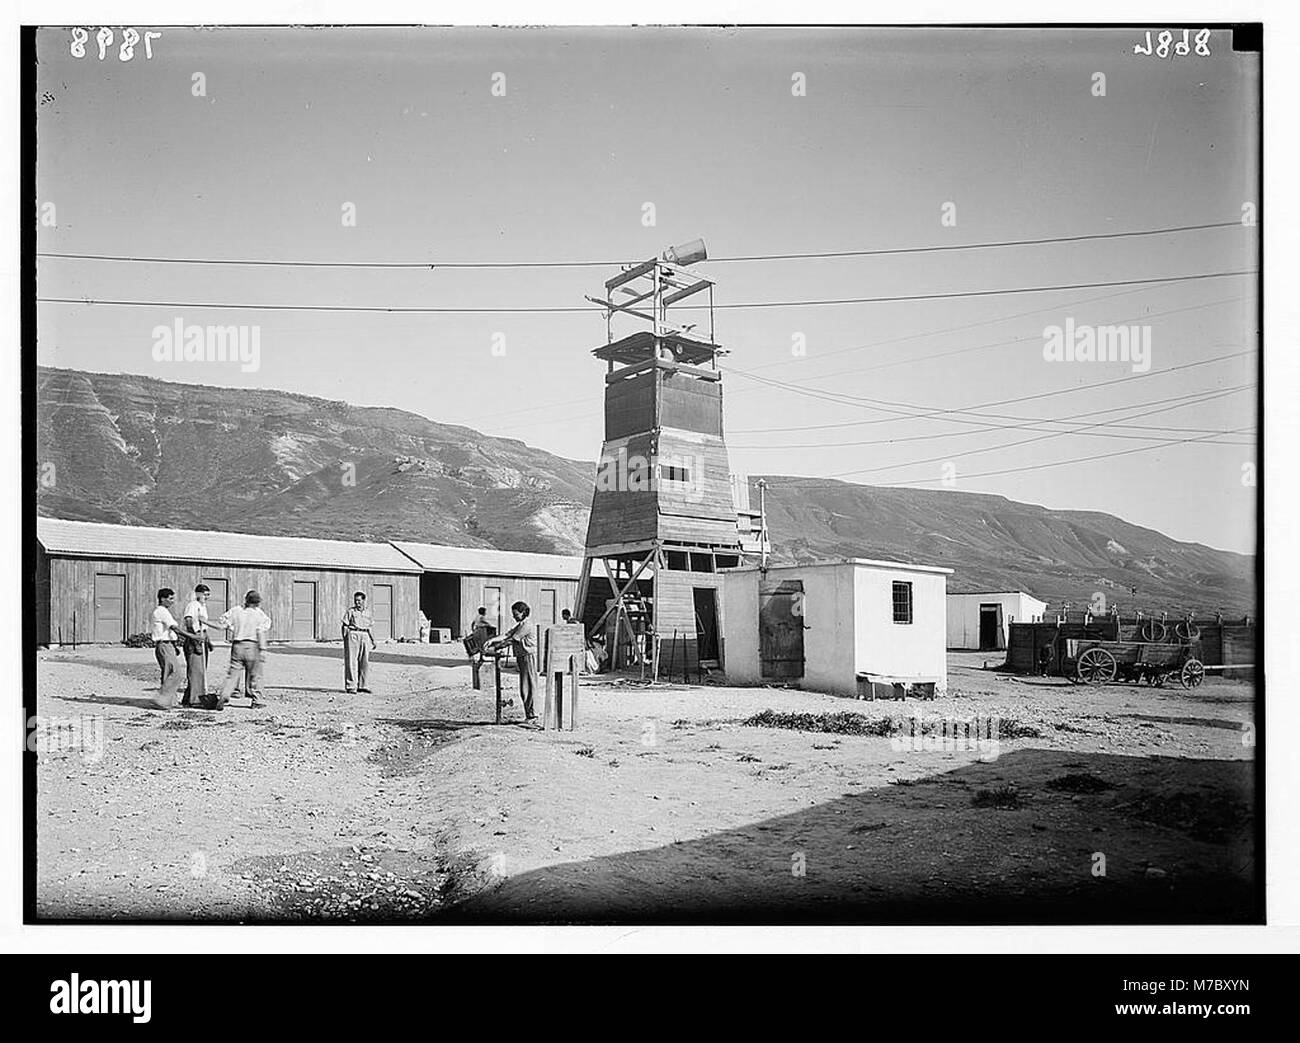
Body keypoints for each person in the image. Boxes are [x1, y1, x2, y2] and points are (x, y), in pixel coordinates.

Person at [484, 601, 539, 727]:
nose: (514, 617)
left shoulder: (527, 625)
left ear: (523, 613)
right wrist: (491, 640)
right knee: (524, 688)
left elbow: (512, 640)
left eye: (516, 614)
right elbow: (507, 635)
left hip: (528, 657)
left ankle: (533, 715)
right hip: (521, 657)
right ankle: (529, 715)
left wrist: (495, 647)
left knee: (530, 687)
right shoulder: (520, 625)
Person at [217, 590, 272, 708]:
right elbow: (261, 631)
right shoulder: (259, 614)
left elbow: (223, 621)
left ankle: (225, 694)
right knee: (255, 674)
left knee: (233, 673)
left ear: (246, 599)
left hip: (237, 645)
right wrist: (263, 649)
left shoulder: (236, 610)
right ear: (257, 603)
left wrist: (233, 628)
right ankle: (257, 700)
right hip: (252, 645)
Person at [150, 588, 186, 710]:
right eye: (170, 598)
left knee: (168, 672)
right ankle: (161, 698)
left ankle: (169, 701)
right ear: (162, 599)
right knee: (176, 673)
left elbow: (169, 630)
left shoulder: (164, 611)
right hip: (164, 644)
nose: (172, 601)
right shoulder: (161, 611)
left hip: (168, 644)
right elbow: (174, 628)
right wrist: (192, 636)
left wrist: (174, 646)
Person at [179, 583, 213, 708]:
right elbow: (189, 622)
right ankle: (194, 700)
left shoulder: (203, 606)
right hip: (194, 639)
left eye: (208, 594)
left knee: (201, 670)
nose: (207, 597)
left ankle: (188, 698)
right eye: (205, 594)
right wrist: (195, 640)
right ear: (198, 594)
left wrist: (208, 641)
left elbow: (204, 626)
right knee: (195, 671)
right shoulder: (192, 605)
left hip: (202, 637)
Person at [341, 591, 377, 694]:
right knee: (351, 661)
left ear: (364, 601)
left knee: (364, 661)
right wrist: (345, 638)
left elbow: (370, 627)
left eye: (359, 601)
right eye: (355, 601)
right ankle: (351, 686)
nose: (357, 603)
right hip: (353, 634)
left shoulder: (368, 613)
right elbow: (344, 625)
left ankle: (363, 685)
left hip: (365, 635)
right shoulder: (351, 612)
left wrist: (373, 640)